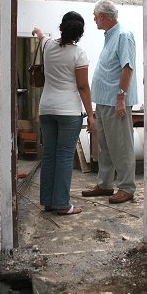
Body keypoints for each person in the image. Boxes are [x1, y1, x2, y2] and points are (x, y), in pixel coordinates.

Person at [32, 11, 95, 215]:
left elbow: (41, 35)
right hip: (69, 111)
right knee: (65, 157)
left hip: (46, 108)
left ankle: (48, 202)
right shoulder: (79, 53)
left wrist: (37, 31)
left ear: (61, 27)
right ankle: (62, 204)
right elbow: (83, 87)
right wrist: (91, 116)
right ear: (79, 33)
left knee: (49, 155)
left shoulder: (48, 45)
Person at [82, 0, 138, 204]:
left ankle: (127, 187)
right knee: (105, 145)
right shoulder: (110, 36)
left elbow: (127, 68)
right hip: (104, 101)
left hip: (116, 102)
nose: (94, 19)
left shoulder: (124, 35)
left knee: (121, 146)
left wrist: (121, 98)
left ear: (103, 16)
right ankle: (105, 184)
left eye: (95, 15)